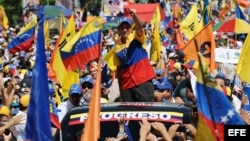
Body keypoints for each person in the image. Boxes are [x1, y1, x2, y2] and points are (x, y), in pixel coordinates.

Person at [108, 8, 156, 102]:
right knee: (130, 115)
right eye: (122, 28)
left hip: (143, 82)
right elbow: (119, 71)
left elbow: (139, 27)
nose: (124, 30)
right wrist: (121, 92)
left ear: (130, 28)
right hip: (127, 86)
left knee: (147, 112)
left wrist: (134, 16)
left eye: (127, 27)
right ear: (118, 30)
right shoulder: (116, 48)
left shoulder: (136, 37)